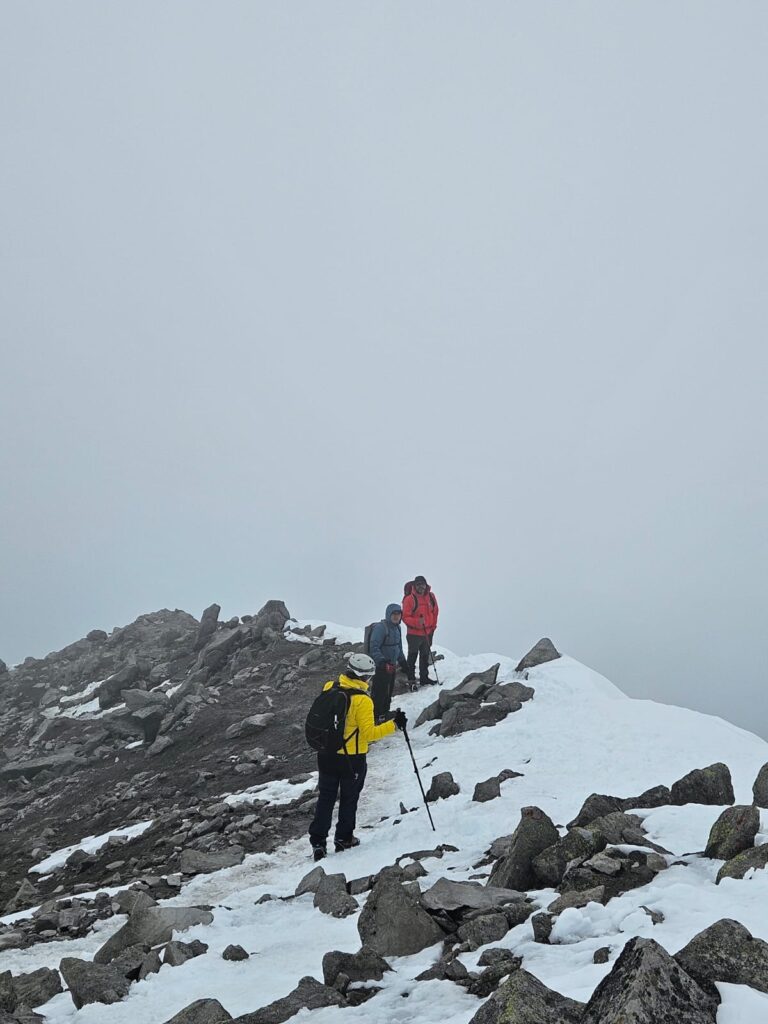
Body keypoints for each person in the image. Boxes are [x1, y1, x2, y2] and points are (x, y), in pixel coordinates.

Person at [308, 652, 407, 861]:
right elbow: (369, 734)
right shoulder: (363, 701)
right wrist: (395, 725)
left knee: (325, 798)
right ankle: (344, 838)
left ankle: (318, 842)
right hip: (351, 759)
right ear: (365, 677)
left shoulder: (330, 687)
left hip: (326, 754)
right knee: (348, 799)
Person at [369, 603, 408, 720]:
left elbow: (398, 647)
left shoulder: (398, 628)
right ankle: (375, 716)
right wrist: (382, 662)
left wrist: (403, 662)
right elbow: (374, 647)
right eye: (394, 614)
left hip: (392, 667)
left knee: (388, 691)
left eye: (399, 614)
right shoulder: (381, 628)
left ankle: (384, 713)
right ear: (388, 615)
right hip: (381, 667)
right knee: (379, 692)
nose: (396, 616)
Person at [402, 575, 439, 688]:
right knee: (412, 657)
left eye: (422, 584)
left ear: (426, 585)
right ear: (414, 585)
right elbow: (405, 617)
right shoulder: (409, 599)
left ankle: (424, 678)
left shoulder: (431, 596)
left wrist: (433, 627)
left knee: (424, 656)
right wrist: (417, 622)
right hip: (414, 634)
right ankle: (411, 680)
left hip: (427, 632)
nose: (421, 587)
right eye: (418, 584)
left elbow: (435, 612)